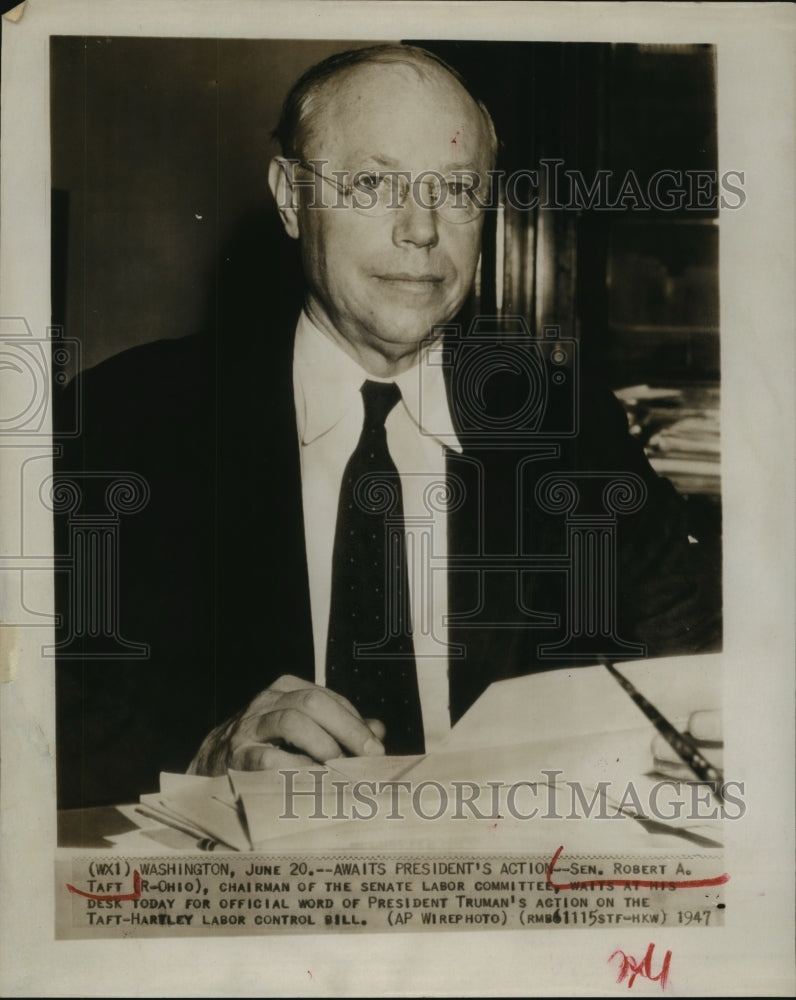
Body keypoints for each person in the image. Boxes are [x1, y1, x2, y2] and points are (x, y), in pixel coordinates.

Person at [55, 44, 721, 809]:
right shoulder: (128, 422)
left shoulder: (566, 424)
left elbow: (700, 655)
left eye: (457, 189)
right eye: (374, 184)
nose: (421, 229)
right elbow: (44, 714)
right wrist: (199, 760)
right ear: (290, 198)